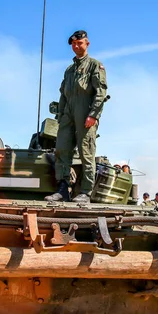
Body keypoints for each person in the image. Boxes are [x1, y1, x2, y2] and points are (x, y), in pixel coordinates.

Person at [45, 30, 108, 203]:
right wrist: (61, 115)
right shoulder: (69, 69)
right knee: (62, 150)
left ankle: (86, 192)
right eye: (73, 44)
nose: (76, 46)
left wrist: (93, 115)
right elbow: (63, 94)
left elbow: (100, 92)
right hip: (68, 115)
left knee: (86, 152)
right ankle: (63, 189)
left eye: (79, 43)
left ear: (87, 44)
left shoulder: (95, 65)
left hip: (85, 114)